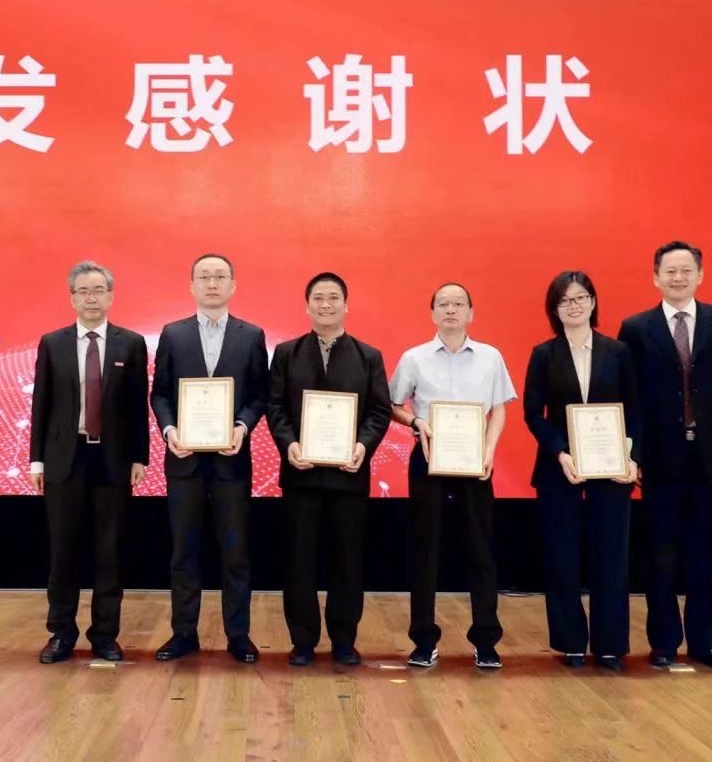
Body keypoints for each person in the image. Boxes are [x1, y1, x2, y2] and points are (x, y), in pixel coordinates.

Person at [618, 241, 712, 670]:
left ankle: (706, 642)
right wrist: (631, 453)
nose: (678, 278)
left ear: (700, 275)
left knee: (708, 552)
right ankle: (663, 642)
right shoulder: (635, 328)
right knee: (660, 554)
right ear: (655, 277)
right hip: (659, 457)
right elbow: (628, 397)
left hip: (711, 454)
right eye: (670, 271)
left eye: (686, 271)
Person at [266, 273, 392, 666]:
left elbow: (379, 411)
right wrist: (289, 444)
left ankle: (344, 640)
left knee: (348, 561)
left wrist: (362, 446)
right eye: (318, 298)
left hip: (348, 476)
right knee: (298, 561)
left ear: (346, 306)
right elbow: (275, 407)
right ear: (307, 306)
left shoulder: (368, 356)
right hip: (301, 474)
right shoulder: (286, 353)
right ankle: (302, 640)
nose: (326, 304)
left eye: (333, 297)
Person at [389, 283, 516, 669]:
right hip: (429, 460)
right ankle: (423, 639)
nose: (450, 310)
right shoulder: (414, 358)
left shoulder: (491, 357)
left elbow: (499, 409)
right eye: (443, 304)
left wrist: (490, 451)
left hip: (475, 463)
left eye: (458, 304)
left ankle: (486, 640)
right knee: (425, 548)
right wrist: (417, 422)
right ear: (432, 313)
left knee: (481, 548)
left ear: (471, 313)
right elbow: (392, 405)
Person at [150, 253, 270, 663]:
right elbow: (160, 394)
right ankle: (183, 633)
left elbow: (259, 395)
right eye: (204, 277)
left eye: (220, 276)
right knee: (183, 551)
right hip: (184, 462)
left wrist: (241, 427)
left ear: (233, 285)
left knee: (235, 553)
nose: (212, 283)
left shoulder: (251, 335)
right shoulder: (173, 334)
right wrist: (170, 431)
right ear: (192, 286)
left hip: (231, 462)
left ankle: (239, 636)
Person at [29, 261, 149, 664]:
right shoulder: (53, 343)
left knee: (109, 551)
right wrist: (37, 461)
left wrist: (140, 456)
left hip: (112, 460)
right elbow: (41, 404)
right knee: (64, 551)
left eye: (98, 290)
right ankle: (61, 634)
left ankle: (104, 635)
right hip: (65, 459)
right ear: (72, 299)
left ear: (111, 296)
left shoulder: (131, 343)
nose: (91, 298)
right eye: (83, 291)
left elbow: (137, 406)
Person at [522, 271, 640, 671]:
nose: (573, 306)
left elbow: (635, 410)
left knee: (611, 557)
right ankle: (571, 642)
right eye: (564, 301)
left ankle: (610, 645)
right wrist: (560, 452)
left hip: (612, 469)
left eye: (580, 298)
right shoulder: (544, 354)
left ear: (592, 302)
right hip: (560, 470)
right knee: (562, 557)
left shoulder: (619, 352)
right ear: (554, 309)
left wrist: (631, 458)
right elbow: (532, 413)